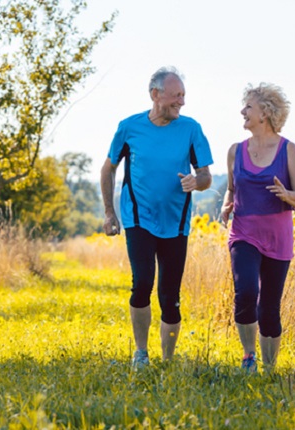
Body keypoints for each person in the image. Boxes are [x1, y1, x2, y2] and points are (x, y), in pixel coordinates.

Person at [100, 67, 213, 369]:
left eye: (183, 96)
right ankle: (141, 354)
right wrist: (110, 212)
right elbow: (108, 168)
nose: (182, 102)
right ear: (155, 95)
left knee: (170, 294)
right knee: (142, 283)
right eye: (176, 96)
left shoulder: (191, 129)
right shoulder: (129, 128)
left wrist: (195, 181)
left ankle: (167, 360)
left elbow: (205, 177)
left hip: (176, 221)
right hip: (138, 217)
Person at [219, 83, 295, 373]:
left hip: (278, 238)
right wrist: (226, 204)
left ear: (265, 113)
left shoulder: (288, 150)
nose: (242, 112)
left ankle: (270, 369)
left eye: (248, 107)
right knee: (245, 292)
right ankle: (248, 357)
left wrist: (287, 196)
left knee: (269, 307)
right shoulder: (235, 151)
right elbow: (232, 189)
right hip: (243, 233)